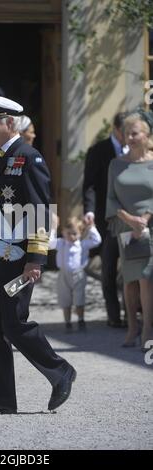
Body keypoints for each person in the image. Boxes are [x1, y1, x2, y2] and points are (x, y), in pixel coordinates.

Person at [0, 95, 77, 415]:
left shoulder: (29, 157)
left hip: (19, 259)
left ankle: (60, 372)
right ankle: (2, 397)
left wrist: (36, 258)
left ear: (10, 123)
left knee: (14, 324)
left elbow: (41, 210)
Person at [105, 109, 153, 352]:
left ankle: (146, 329)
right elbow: (111, 199)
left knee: (146, 278)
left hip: (150, 228)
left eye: (134, 133)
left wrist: (143, 218)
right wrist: (129, 218)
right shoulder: (116, 164)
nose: (130, 137)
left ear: (146, 134)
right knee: (130, 280)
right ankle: (132, 327)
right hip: (126, 227)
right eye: (126, 133)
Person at [83, 112, 128, 327]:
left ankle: (131, 314)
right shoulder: (98, 151)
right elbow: (90, 185)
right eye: (125, 132)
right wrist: (89, 211)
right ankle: (113, 316)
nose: (129, 136)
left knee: (130, 269)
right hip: (106, 218)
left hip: (130, 218)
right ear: (116, 129)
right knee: (109, 268)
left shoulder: (138, 151)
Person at [49, 217, 101, 332]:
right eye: (68, 233)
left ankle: (81, 320)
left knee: (79, 299)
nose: (72, 236)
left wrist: (91, 226)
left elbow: (97, 240)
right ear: (63, 232)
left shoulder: (82, 244)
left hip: (78, 274)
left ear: (80, 233)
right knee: (65, 299)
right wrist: (53, 227)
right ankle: (67, 322)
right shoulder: (61, 243)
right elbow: (49, 243)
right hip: (63, 275)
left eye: (75, 233)